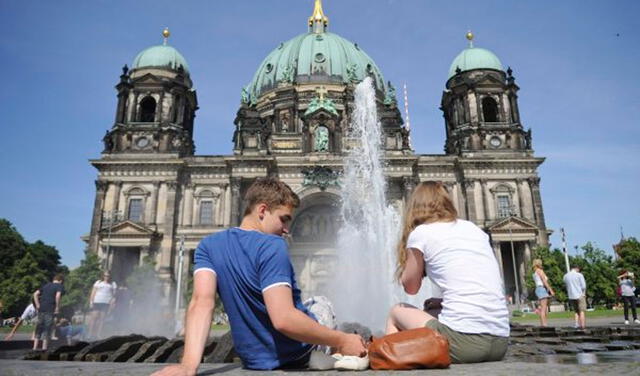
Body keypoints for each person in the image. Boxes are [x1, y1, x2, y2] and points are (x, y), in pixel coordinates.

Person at [153, 178, 366, 376]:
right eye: (284, 219)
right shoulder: (271, 245)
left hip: (254, 360)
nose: (286, 229)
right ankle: (328, 353)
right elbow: (283, 319)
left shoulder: (208, 246)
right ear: (262, 210)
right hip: (297, 352)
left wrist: (188, 365)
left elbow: (201, 303)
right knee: (322, 303)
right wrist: (343, 339)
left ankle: (321, 355)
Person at [384, 181, 509, 364]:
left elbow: (410, 287)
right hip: (500, 344)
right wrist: (442, 303)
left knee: (396, 311)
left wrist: (408, 261)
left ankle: (386, 358)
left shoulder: (421, 233)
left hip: (464, 345)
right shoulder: (473, 228)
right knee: (432, 308)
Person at [33, 274, 65, 351]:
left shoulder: (46, 285)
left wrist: (37, 305)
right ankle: (44, 348)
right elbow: (57, 296)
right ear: (61, 281)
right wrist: (57, 307)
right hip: (50, 308)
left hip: (41, 308)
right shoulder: (59, 286)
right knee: (47, 328)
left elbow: (35, 294)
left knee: (39, 327)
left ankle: (34, 348)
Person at [87, 271, 117, 339]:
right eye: (105, 276)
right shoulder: (98, 282)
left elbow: (114, 295)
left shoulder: (113, 284)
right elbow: (93, 292)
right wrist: (91, 302)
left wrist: (112, 304)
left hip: (106, 303)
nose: (106, 277)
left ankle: (98, 334)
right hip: (97, 301)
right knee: (94, 318)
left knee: (102, 319)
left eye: (108, 276)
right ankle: (90, 334)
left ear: (110, 276)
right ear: (103, 276)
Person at [532, 259, 555, 327]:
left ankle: (543, 323)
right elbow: (544, 281)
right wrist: (551, 290)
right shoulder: (540, 271)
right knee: (544, 308)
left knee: (542, 308)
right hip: (542, 288)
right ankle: (544, 325)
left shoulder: (535, 272)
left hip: (538, 289)